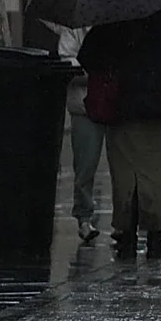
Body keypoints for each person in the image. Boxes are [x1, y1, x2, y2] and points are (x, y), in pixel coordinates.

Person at [78, 10, 161, 260]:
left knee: (125, 178)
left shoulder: (111, 24)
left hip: (124, 110)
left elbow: (87, 57)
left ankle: (128, 237)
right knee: (156, 176)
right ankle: (155, 240)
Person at [58, 26, 104, 243]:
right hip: (84, 106)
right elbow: (66, 62)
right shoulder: (73, 30)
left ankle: (123, 223)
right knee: (85, 165)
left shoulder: (117, 25)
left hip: (115, 104)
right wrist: (94, 69)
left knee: (122, 166)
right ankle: (84, 217)